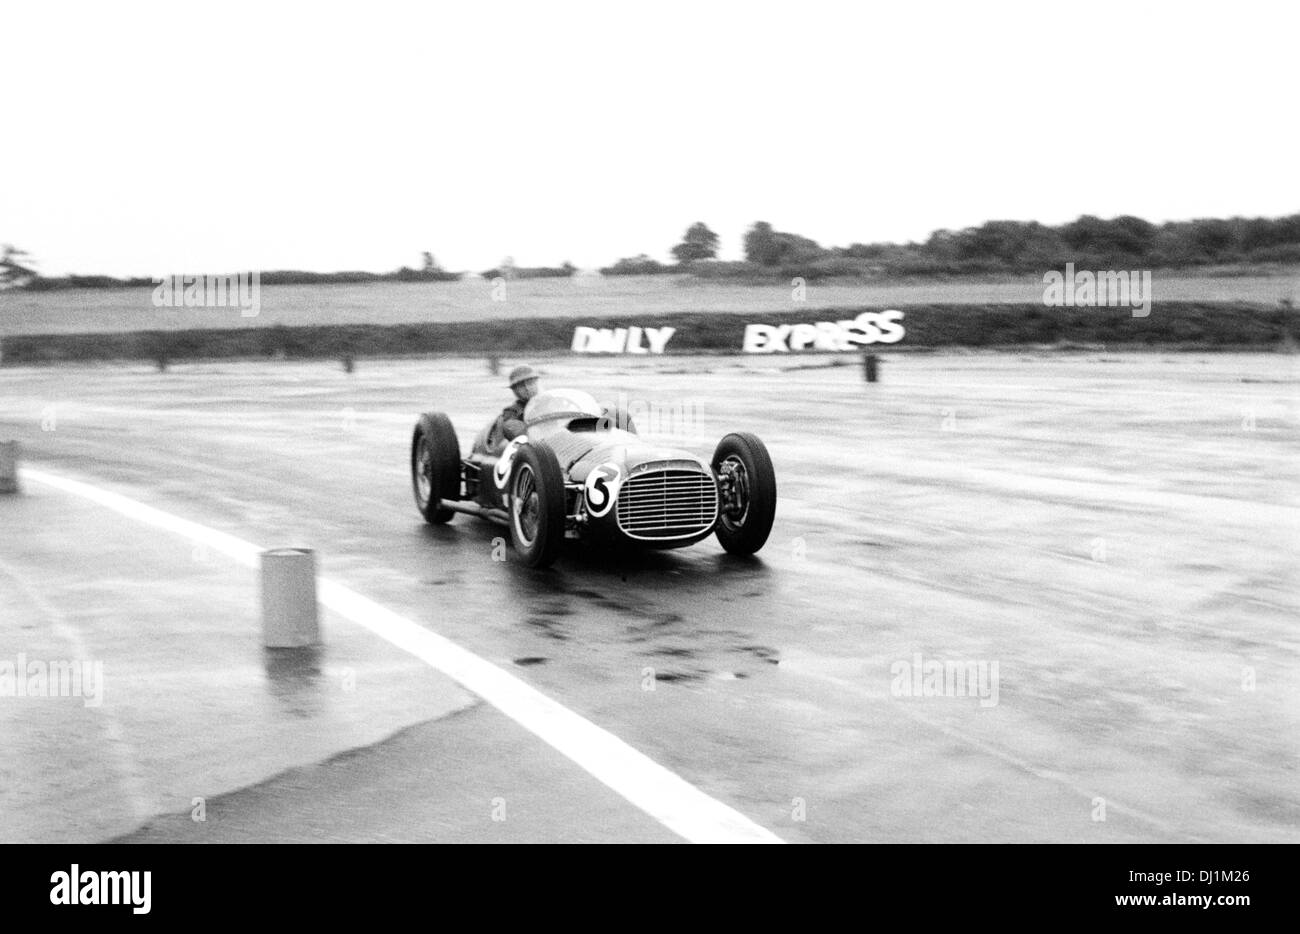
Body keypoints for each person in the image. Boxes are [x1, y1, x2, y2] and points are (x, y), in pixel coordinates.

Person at [499, 365, 540, 442]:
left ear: (536, 383)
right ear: (515, 390)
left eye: (530, 383)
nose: (527, 388)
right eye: (521, 386)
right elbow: (512, 433)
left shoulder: (548, 403)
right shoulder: (511, 411)